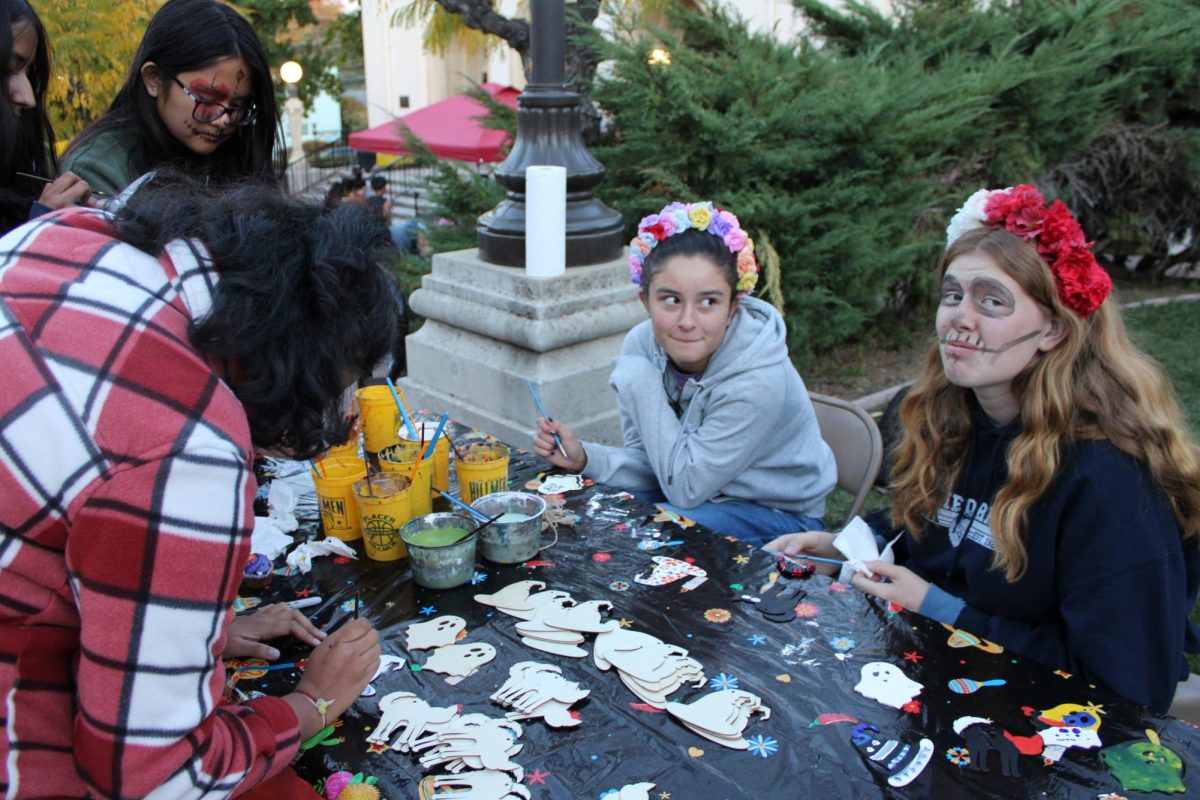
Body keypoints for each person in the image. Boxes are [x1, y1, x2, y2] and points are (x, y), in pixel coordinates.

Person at [0, 173, 399, 796]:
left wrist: (191, 631)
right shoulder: (191, 451)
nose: (340, 413)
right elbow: (157, 779)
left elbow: (73, 514)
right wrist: (313, 702)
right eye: (337, 386)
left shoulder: (71, 235)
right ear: (298, 362)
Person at [767, 185, 1200, 712]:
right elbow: (940, 523)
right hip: (934, 683)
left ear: (1054, 331)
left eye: (991, 301)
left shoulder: (1111, 482)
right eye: (953, 295)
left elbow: (1127, 686)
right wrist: (845, 544)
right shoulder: (956, 418)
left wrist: (941, 609)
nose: (959, 318)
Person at [533, 200, 836, 546]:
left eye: (708, 302)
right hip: (698, 493)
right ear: (645, 301)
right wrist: (586, 457)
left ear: (733, 306)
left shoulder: (758, 381)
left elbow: (685, 490)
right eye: (671, 300)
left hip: (776, 513)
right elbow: (656, 467)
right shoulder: (642, 347)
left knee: (642, 537)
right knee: (584, 518)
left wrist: (641, 381)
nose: (687, 321)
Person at [61, 0, 279, 196]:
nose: (223, 120)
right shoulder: (95, 171)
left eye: (239, 106)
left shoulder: (236, 153)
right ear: (153, 79)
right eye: (207, 99)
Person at [0, 0, 93, 234]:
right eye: (10, 69)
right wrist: (43, 228)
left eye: (29, 73)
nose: (28, 97)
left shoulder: (21, 166)